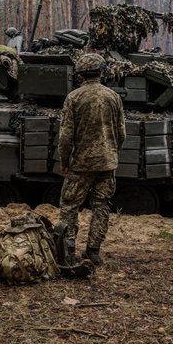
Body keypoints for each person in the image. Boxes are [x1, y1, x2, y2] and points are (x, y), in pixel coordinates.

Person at [55, 53, 126, 266]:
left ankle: (68, 247)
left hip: (82, 163)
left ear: (80, 74)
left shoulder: (74, 97)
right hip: (107, 163)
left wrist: (65, 160)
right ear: (101, 72)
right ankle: (93, 251)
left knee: (69, 204)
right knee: (102, 205)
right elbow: (121, 132)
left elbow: (66, 136)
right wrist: (112, 153)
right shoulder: (113, 96)